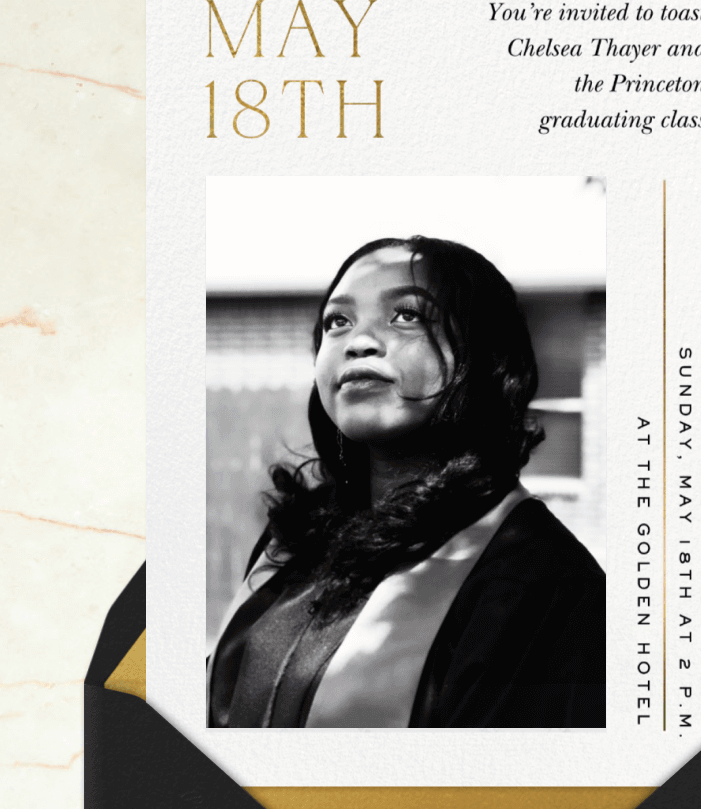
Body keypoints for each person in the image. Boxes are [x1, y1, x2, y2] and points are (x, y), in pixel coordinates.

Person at [208, 236, 605, 727]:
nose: (358, 342)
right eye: (338, 322)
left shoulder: (538, 582)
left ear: (483, 354)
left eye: (408, 316)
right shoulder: (294, 544)